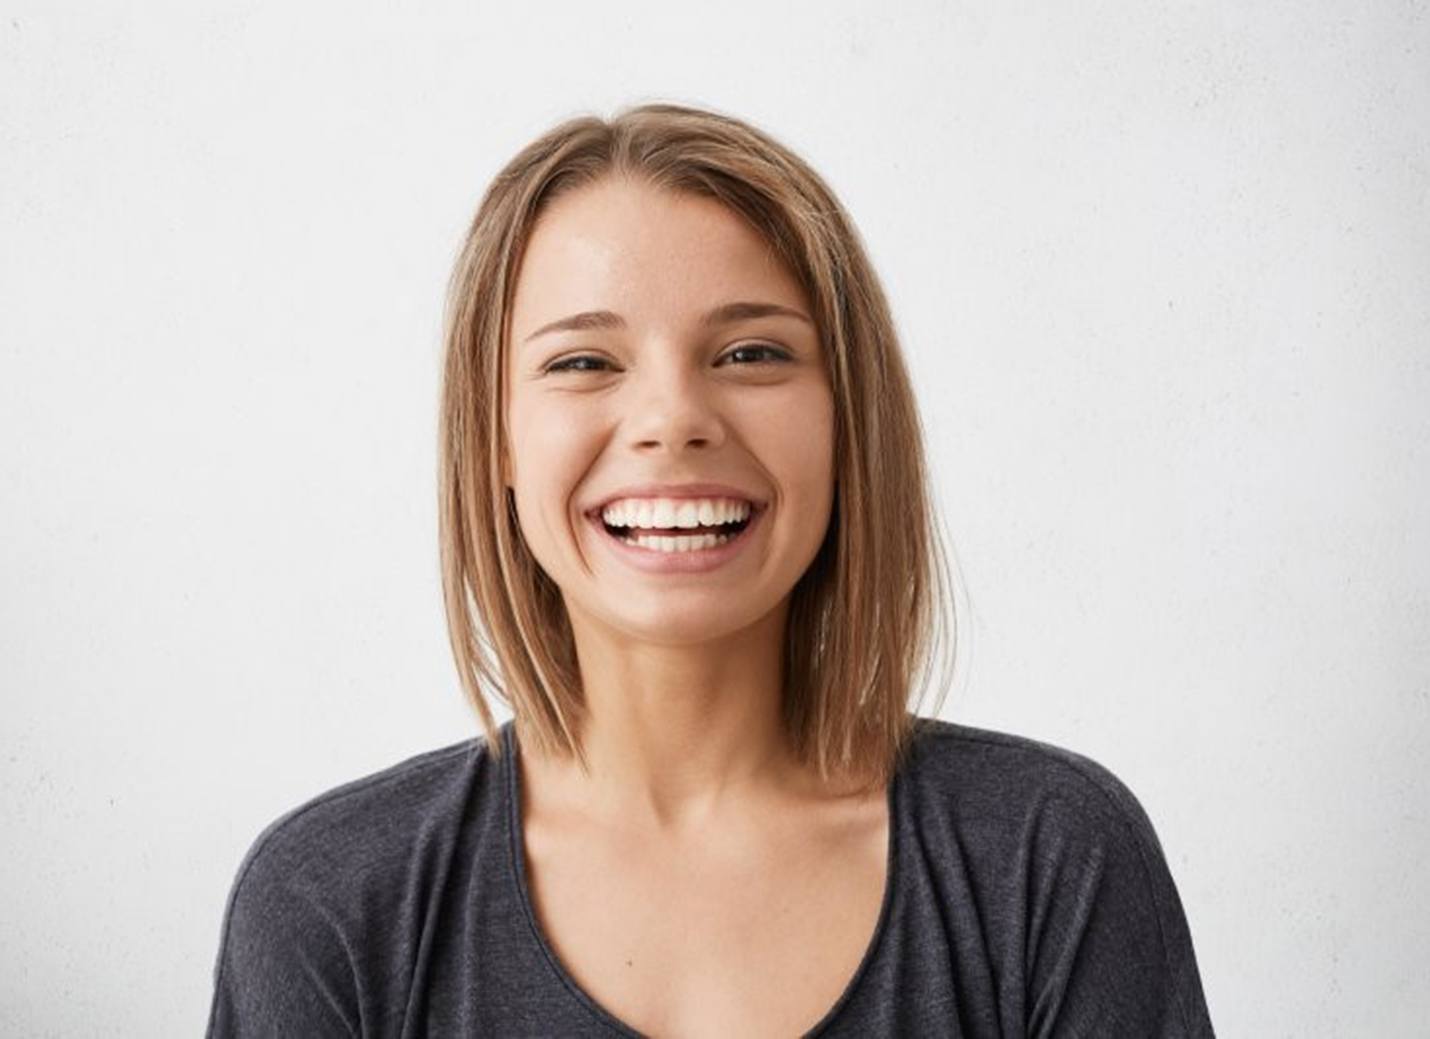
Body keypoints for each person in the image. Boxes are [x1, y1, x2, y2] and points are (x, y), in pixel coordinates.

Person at [205, 102, 1216, 1037]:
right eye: (582, 362)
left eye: (749, 354)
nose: (672, 420)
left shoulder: (1050, 858)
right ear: (495, 442)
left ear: (847, 421)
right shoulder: (326, 903)